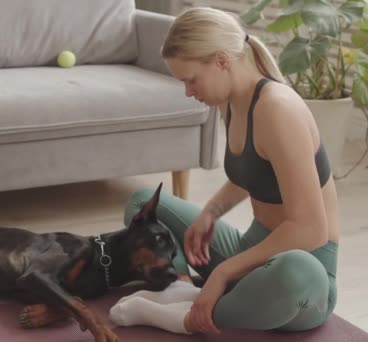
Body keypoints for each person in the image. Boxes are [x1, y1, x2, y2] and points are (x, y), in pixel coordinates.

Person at [109, 6, 339, 335]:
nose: (188, 91)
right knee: (145, 204)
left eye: (191, 80)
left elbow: (311, 230)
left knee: (297, 272)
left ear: (221, 61)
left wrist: (223, 272)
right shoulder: (231, 100)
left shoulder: (278, 109)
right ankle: (182, 289)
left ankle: (185, 319)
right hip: (254, 250)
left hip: (306, 272)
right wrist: (210, 213)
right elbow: (254, 173)